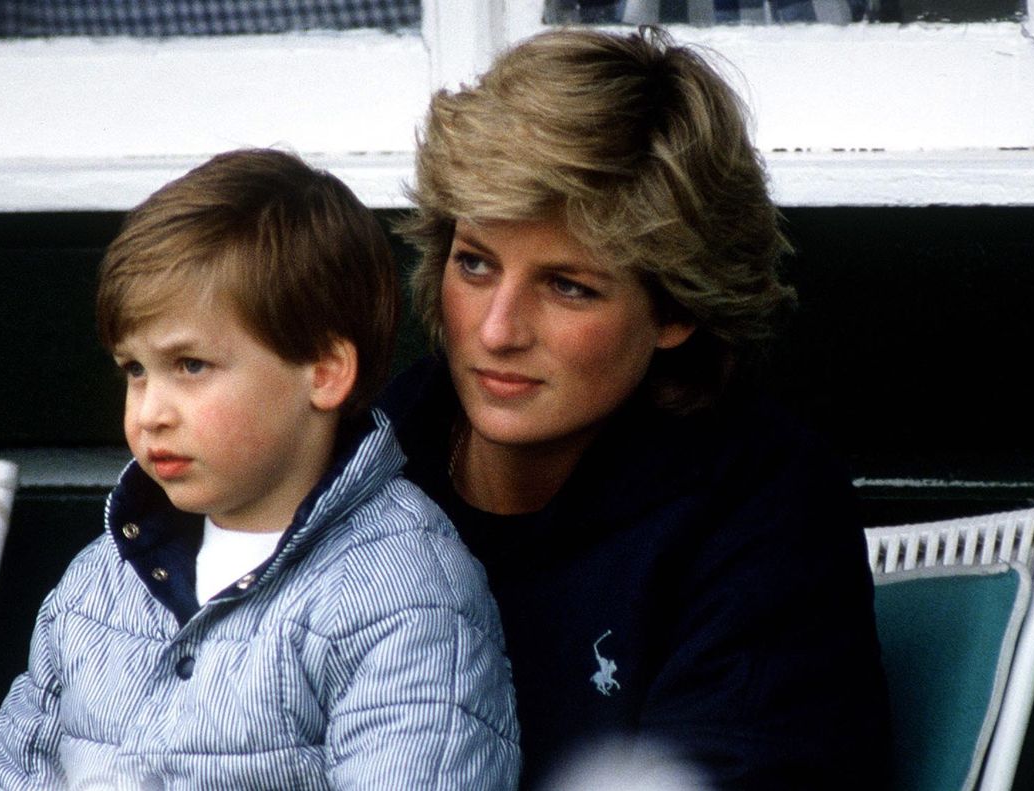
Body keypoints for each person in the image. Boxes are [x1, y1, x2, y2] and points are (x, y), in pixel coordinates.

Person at [382, 26, 892, 790]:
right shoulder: (374, 453)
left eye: (568, 286)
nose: (496, 330)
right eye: (476, 264)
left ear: (675, 309)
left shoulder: (759, 507)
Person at [0, 149, 519, 789]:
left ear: (325, 371)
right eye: (135, 371)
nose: (151, 413)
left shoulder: (399, 595)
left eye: (191, 366)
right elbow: (8, 773)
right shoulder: (101, 583)